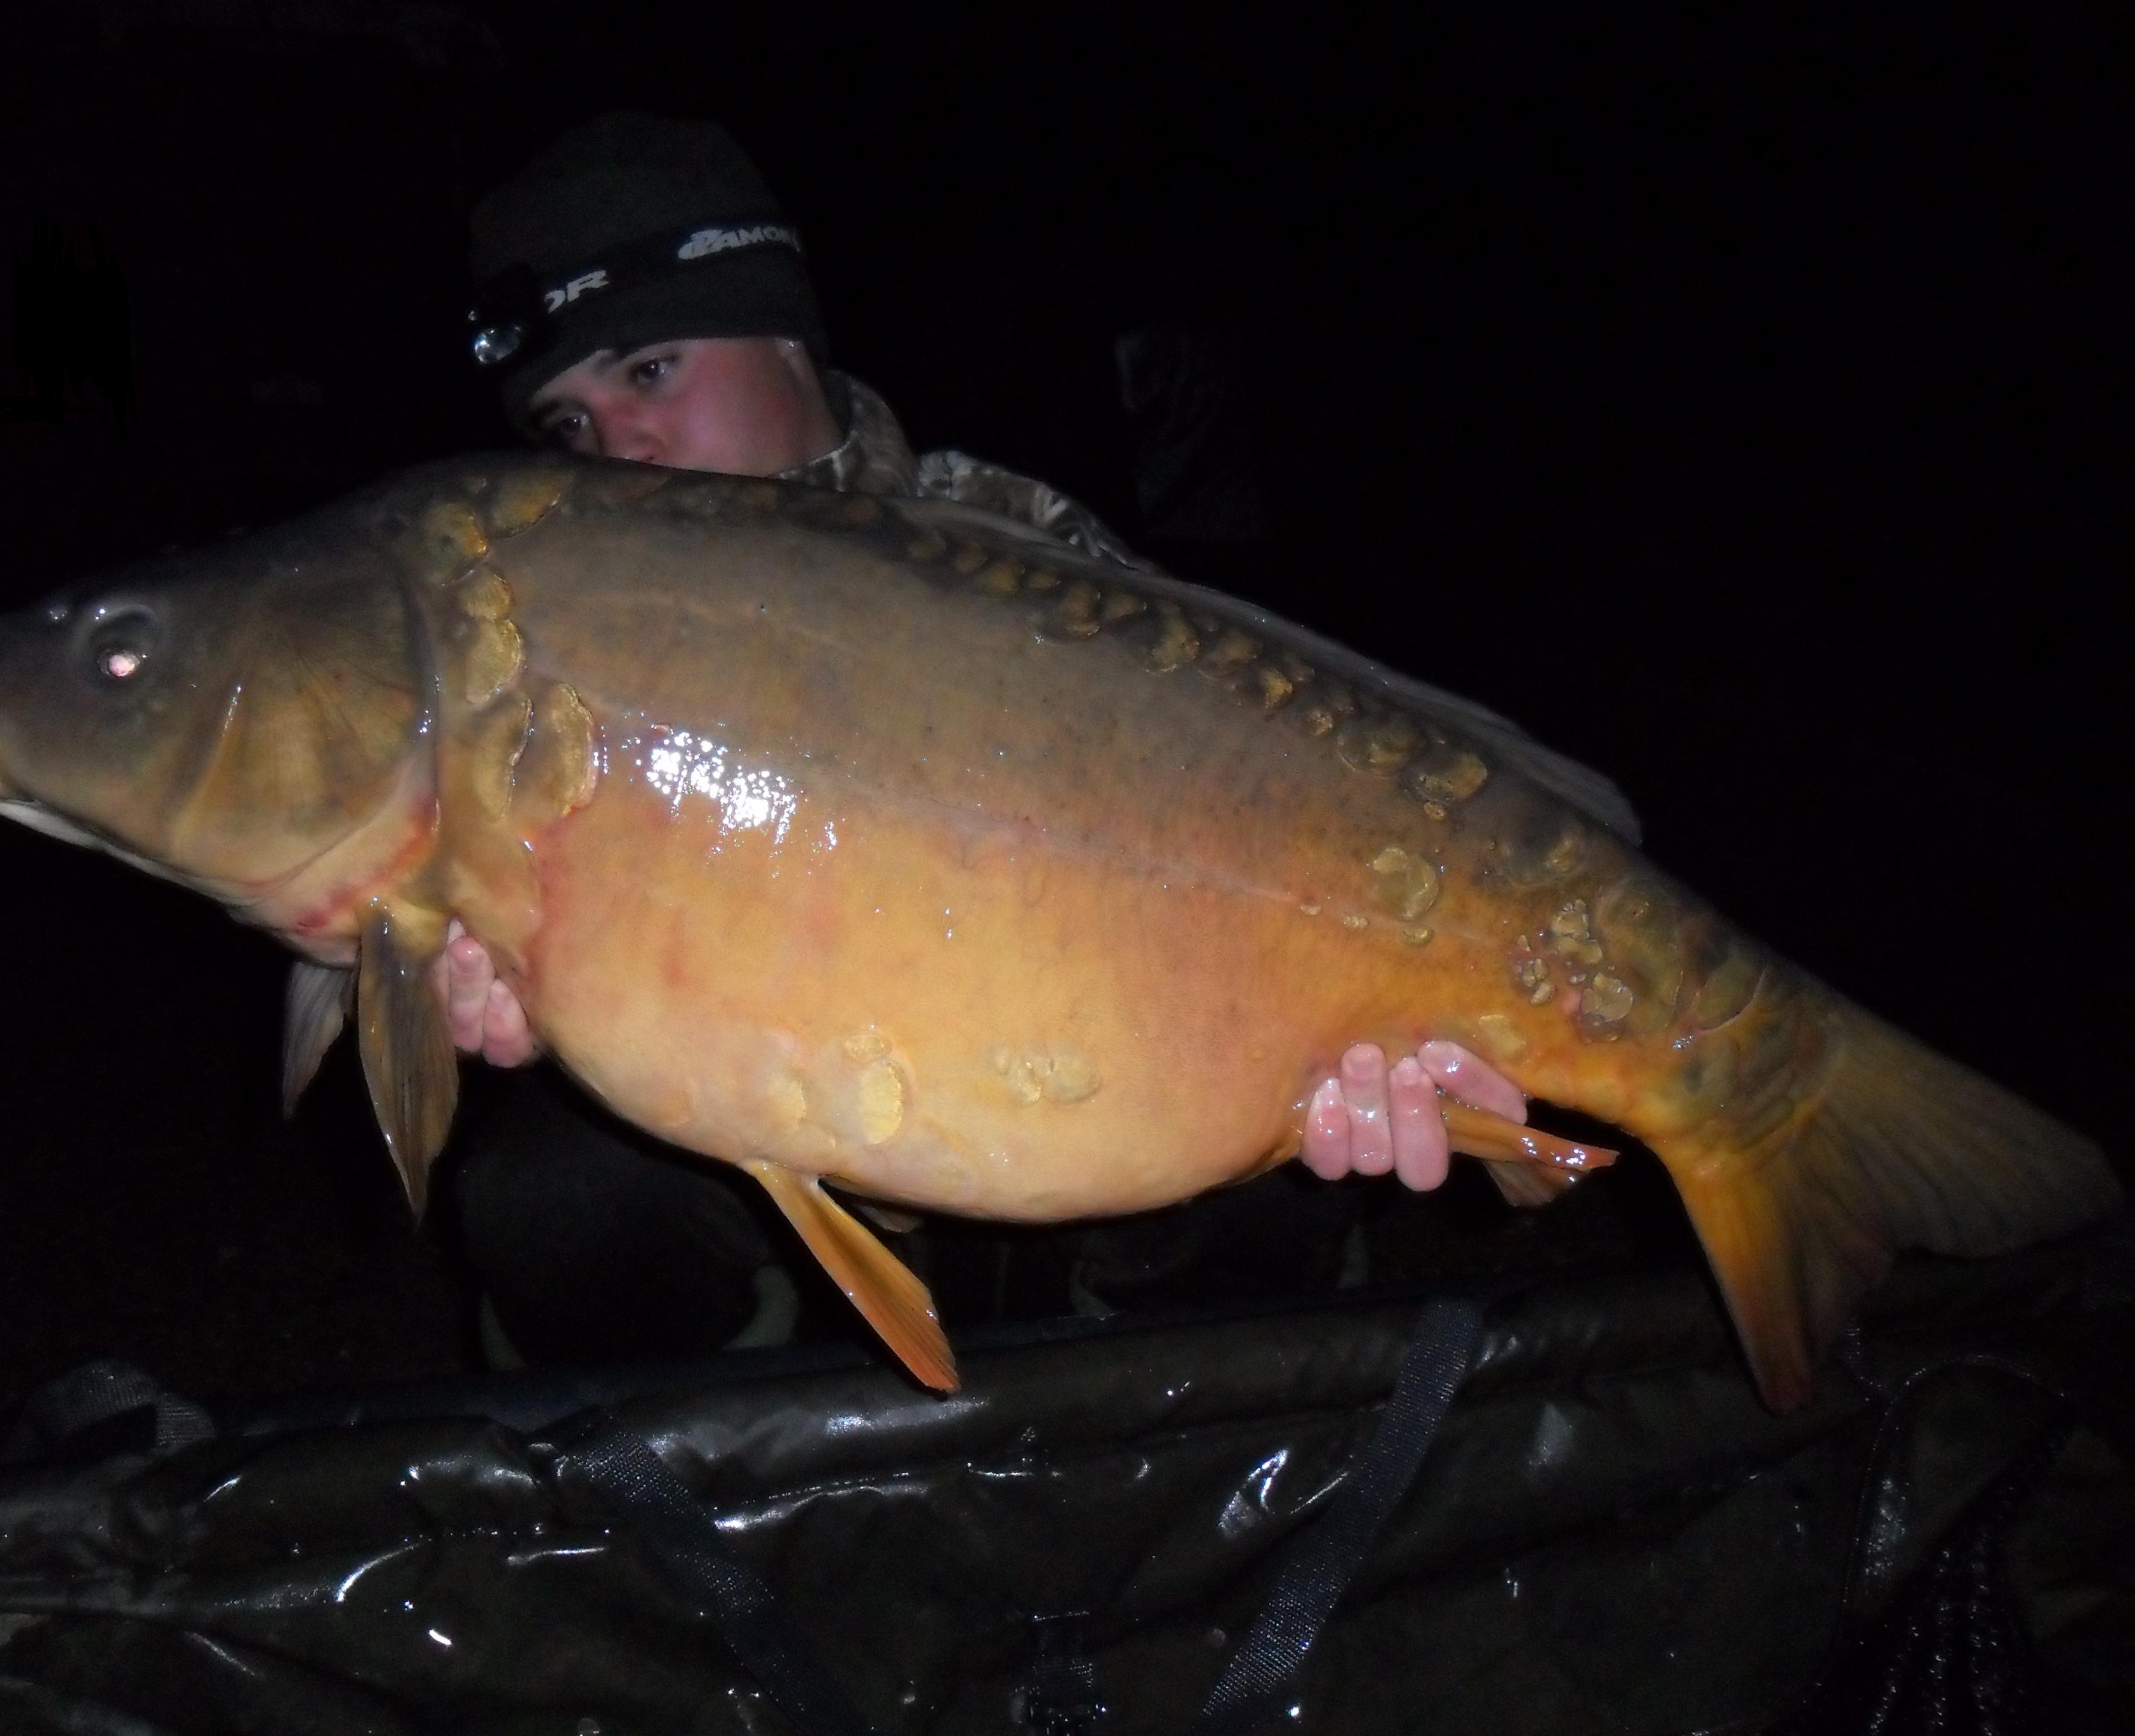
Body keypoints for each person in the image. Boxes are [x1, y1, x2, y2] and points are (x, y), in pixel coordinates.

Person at [437, 114, 1530, 1362]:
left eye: (649, 372)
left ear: (787, 337)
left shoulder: (1017, 562)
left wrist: (1358, 1044)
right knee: (553, 1197)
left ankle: (1145, 1451)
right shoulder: (560, 646)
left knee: (1258, 1179)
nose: (619, 449)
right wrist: (542, 992)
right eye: (569, 425)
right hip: (776, 1136)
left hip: (1065, 1121)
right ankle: (741, 1470)